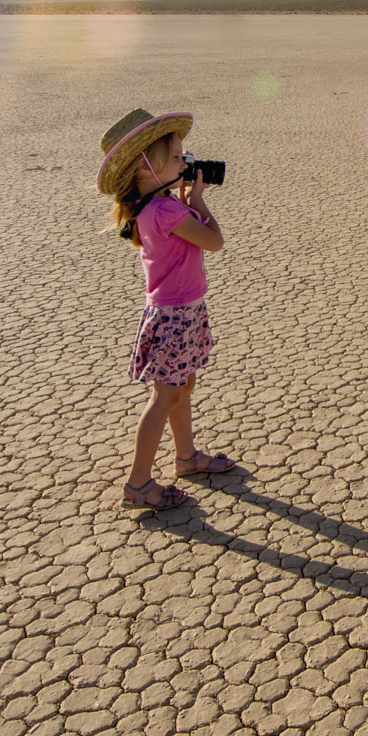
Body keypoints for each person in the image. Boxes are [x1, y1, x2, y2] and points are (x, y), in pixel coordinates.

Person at [96, 107, 232, 510]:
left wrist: (184, 196)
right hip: (176, 318)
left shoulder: (151, 207)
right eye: (176, 158)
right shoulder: (168, 211)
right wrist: (200, 202)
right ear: (146, 168)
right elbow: (213, 242)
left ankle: (186, 457)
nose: (186, 163)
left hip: (180, 312)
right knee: (165, 397)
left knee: (181, 387)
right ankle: (138, 483)